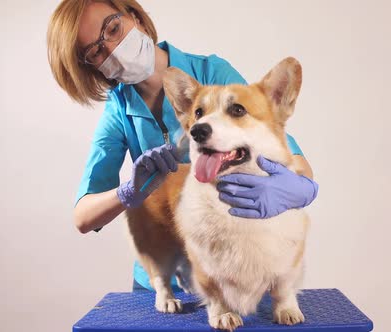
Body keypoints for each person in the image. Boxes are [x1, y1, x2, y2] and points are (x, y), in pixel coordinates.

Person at [47, 0, 319, 292]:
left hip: (233, 273)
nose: (112, 48)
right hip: (162, 281)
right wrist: (130, 192)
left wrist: (296, 188)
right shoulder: (119, 111)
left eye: (113, 28)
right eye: (96, 51)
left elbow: (288, 154)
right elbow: (83, 216)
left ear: (135, 16)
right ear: (92, 68)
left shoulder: (210, 74)